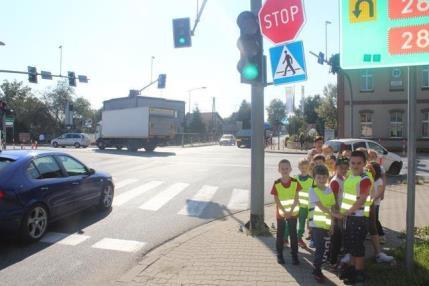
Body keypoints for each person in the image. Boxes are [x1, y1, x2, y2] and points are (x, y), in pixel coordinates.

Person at [339, 150, 372, 284]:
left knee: (357, 246)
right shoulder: (350, 176)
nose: (355, 165)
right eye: (353, 162)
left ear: (364, 163)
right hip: (350, 217)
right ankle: (352, 270)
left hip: (358, 217)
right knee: (351, 245)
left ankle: (359, 273)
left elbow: (362, 199)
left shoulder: (365, 179)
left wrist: (349, 211)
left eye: (359, 163)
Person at [308, 164, 340, 283]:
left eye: (324, 177)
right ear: (314, 178)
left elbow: (332, 207)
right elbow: (320, 206)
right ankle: (317, 271)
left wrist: (332, 225)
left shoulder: (329, 190)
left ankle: (318, 268)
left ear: (327, 177)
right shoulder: (312, 190)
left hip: (327, 225)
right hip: (316, 225)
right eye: (318, 178)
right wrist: (334, 214)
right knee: (320, 249)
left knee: (326, 250)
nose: (321, 180)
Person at [272, 159, 301, 265]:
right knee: (280, 235)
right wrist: (284, 211)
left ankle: (294, 256)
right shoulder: (277, 183)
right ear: (279, 170)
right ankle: (279, 255)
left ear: (290, 169)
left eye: (286, 168)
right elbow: (276, 199)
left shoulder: (295, 182)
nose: (285, 170)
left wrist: (290, 211)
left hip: (293, 213)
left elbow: (297, 198)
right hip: (281, 214)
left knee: (293, 235)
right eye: (282, 168)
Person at [329, 157, 349, 266]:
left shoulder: (344, 179)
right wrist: (338, 215)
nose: (344, 170)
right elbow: (334, 200)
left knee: (340, 237)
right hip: (337, 214)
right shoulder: (335, 181)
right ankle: (332, 261)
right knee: (336, 238)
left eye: (346, 168)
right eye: (341, 168)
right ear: (336, 168)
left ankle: (335, 257)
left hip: (343, 213)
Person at [290, 158, 313, 249]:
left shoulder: (312, 180)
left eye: (306, 167)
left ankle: (299, 238)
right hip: (295, 206)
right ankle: (284, 238)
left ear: (309, 168)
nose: (304, 169)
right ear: (299, 167)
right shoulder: (295, 178)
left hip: (305, 207)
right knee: (290, 223)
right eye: (302, 167)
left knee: (302, 224)